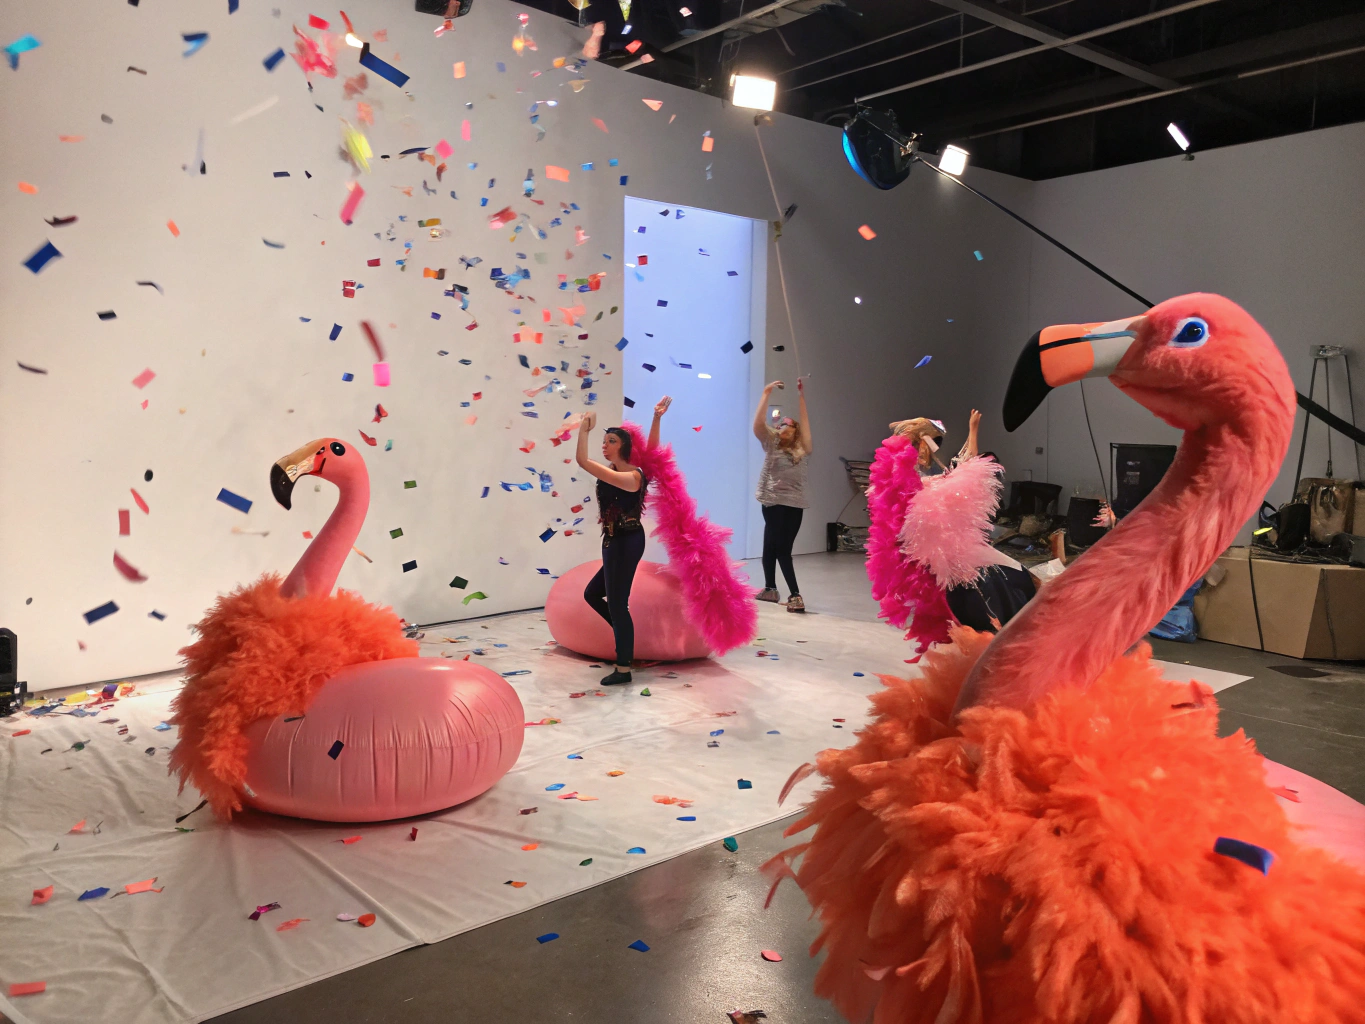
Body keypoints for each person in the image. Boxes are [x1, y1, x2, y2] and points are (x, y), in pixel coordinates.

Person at [574, 400, 667, 685]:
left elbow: (582, 461)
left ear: (623, 446)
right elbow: (651, 449)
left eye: (610, 441)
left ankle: (624, 667)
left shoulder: (632, 476)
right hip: (613, 540)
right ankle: (625, 640)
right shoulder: (621, 470)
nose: (604, 445)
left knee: (617, 604)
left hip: (625, 542)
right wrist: (655, 417)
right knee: (593, 594)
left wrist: (584, 430)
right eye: (603, 441)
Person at [753, 378, 812, 612]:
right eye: (780, 424)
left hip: (795, 503)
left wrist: (801, 397)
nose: (782, 426)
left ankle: (770, 589)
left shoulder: (803, 448)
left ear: (795, 430)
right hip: (773, 501)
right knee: (781, 549)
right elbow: (758, 425)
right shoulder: (771, 443)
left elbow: (806, 425)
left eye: (788, 424)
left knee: (773, 545)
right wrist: (766, 393)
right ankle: (795, 595)